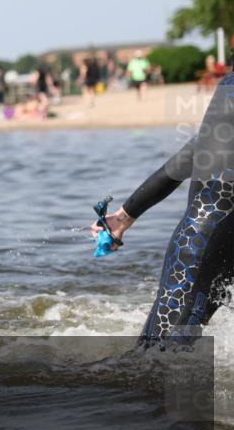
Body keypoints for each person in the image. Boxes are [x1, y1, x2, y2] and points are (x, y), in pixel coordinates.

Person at [92, 70, 233, 347]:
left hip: (205, 239)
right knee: (161, 354)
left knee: (157, 355)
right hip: (206, 241)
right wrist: (125, 215)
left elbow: (190, 155)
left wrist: (125, 216)